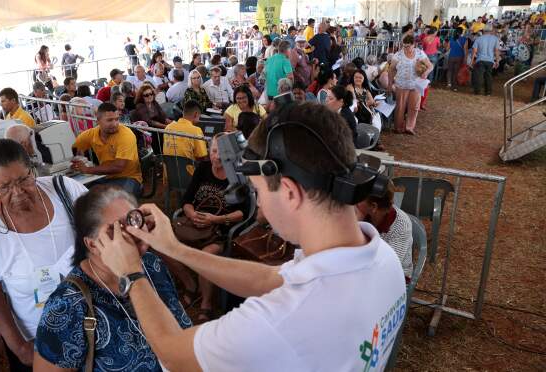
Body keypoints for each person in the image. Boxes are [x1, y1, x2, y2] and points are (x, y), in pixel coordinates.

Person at [94, 102, 406, 371]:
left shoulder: (274, 325)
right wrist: (174, 248)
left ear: (288, 192)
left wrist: (132, 273)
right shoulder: (381, 258)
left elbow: (172, 352)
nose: (262, 207)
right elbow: (270, 279)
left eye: (257, 191)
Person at [33, 185, 192, 371]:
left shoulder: (151, 264)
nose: (131, 235)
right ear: (91, 245)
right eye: (113, 230)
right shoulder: (67, 306)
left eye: (133, 221)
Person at [0, 139, 87, 371]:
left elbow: (103, 230)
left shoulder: (64, 190)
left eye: (24, 179)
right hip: (38, 338)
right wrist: (19, 346)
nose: (18, 192)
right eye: (4, 187)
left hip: (91, 322)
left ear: (32, 169)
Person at [176, 133, 246, 322]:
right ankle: (190, 284)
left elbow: (243, 213)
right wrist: (191, 214)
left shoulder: (237, 175)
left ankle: (206, 302)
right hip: (195, 223)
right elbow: (187, 200)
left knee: (205, 256)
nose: (216, 156)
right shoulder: (203, 168)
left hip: (219, 230)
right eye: (214, 151)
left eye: (221, 152)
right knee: (164, 244)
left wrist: (215, 219)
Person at [72, 103, 143, 195]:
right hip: (105, 177)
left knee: (113, 201)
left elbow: (118, 167)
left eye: (117, 119)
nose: (115, 124)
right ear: (98, 121)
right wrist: (75, 160)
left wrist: (87, 169)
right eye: (109, 120)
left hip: (130, 177)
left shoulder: (126, 135)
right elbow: (73, 150)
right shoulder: (90, 134)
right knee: (80, 194)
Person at [355, 183, 414, 281]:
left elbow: (389, 268)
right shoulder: (363, 213)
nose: (355, 201)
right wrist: (356, 223)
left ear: (373, 206)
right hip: (364, 267)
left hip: (394, 276)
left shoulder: (401, 225)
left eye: (360, 198)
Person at [389, 34, 432, 135]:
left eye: (408, 46)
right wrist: (389, 84)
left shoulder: (420, 53)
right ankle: (398, 128)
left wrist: (426, 72)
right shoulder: (398, 55)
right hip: (401, 84)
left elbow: (430, 66)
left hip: (416, 85)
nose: (406, 48)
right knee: (400, 107)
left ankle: (409, 127)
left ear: (414, 45)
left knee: (414, 107)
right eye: (404, 46)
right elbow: (391, 70)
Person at [163, 100, 208, 166]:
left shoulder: (168, 127)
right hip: (188, 173)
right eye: (199, 116)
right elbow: (201, 156)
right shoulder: (196, 130)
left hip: (169, 172)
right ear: (195, 114)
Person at [130, 84, 171, 153]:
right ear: (141, 97)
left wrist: (173, 124)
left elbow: (164, 116)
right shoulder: (140, 106)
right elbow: (150, 122)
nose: (149, 96)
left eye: (151, 94)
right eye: (146, 95)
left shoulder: (154, 103)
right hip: (149, 131)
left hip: (159, 128)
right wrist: (166, 127)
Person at [471, 24, 500, 96]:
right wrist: (497, 61)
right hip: (490, 60)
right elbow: (497, 51)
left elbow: (474, 51)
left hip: (480, 59)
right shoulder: (495, 39)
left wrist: (472, 61)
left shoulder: (479, 38)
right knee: (488, 76)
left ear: (483, 30)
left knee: (479, 76)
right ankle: (488, 92)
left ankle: (477, 91)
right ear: (491, 30)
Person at [447, 27, 468, 91]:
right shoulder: (464, 39)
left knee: (450, 70)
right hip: (459, 57)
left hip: (451, 56)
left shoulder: (451, 39)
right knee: (456, 71)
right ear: (462, 32)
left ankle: (449, 83)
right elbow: (465, 50)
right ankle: (454, 85)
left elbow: (447, 48)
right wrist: (465, 58)